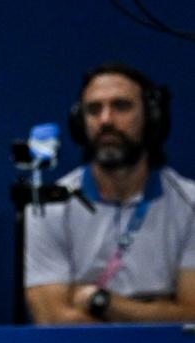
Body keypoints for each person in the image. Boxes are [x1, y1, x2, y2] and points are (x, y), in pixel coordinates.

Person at [25, 63, 195, 324]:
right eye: (94, 110)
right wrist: (157, 308)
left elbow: (191, 317)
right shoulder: (49, 205)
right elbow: (51, 319)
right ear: (80, 122)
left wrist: (99, 302)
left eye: (121, 106)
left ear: (152, 116)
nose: (106, 120)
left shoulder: (190, 204)